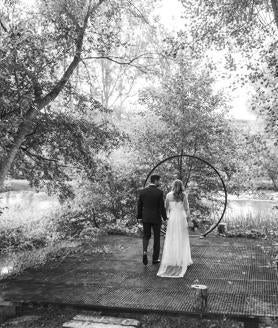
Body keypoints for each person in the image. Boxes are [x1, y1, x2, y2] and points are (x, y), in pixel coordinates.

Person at [157, 179, 193, 278]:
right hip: (181, 218)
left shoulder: (168, 195)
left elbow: (166, 208)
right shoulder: (184, 195)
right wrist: (189, 220)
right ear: (181, 186)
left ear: (173, 185)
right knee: (182, 238)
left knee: (172, 238)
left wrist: (167, 218)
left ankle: (172, 259)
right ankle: (182, 259)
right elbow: (186, 209)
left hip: (172, 219)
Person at [137, 174, 167, 265]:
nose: (160, 182)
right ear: (155, 181)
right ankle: (155, 259)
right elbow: (162, 207)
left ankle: (145, 253)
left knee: (146, 236)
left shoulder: (142, 191)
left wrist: (139, 217)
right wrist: (165, 219)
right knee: (157, 238)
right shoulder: (159, 192)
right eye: (159, 181)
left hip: (146, 218)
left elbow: (139, 206)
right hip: (156, 218)